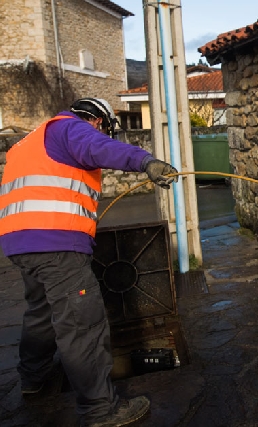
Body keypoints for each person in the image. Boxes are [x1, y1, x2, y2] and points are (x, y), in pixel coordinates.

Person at [0, 98, 179, 427]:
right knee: (82, 323)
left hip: (18, 241)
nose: (100, 133)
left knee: (40, 313)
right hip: (56, 243)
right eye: (103, 129)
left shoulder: (31, 140)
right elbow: (99, 149)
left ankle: (32, 378)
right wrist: (145, 161)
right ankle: (100, 410)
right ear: (96, 121)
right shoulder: (72, 128)